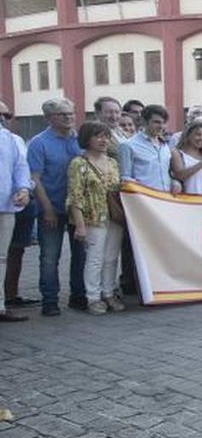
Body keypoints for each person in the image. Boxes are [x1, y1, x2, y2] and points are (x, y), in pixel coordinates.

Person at [28, 98, 86, 316]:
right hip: (51, 206)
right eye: (63, 114)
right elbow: (35, 178)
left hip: (78, 209)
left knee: (81, 254)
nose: (69, 118)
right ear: (49, 118)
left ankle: (78, 295)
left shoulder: (80, 139)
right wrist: (48, 209)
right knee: (50, 257)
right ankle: (50, 300)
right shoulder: (38, 143)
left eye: (71, 113)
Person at [66, 122, 124, 315]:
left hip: (114, 217)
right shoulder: (79, 163)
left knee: (111, 257)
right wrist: (80, 225)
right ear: (87, 139)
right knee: (95, 258)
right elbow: (75, 196)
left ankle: (108, 292)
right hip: (93, 218)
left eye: (106, 136)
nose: (104, 140)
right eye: (98, 136)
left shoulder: (113, 162)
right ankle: (93, 296)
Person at [0, 103, 32, 322]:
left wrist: (23, 189)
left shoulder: (13, 140)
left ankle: (0, 306)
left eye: (6, 114)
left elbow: (21, 168)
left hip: (6, 207)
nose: (3, 117)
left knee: (2, 258)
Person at [120, 104, 179, 194]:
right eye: (156, 122)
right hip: (142, 201)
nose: (161, 126)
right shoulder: (128, 145)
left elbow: (167, 173)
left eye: (163, 123)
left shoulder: (165, 146)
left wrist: (174, 182)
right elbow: (125, 179)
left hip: (166, 199)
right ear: (144, 121)